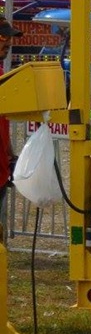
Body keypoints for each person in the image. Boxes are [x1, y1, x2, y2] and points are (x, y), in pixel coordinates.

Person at [0, 17, 22, 213]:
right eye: (2, 37)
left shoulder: (2, 74)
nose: (8, 43)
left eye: (9, 38)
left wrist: (10, 155)